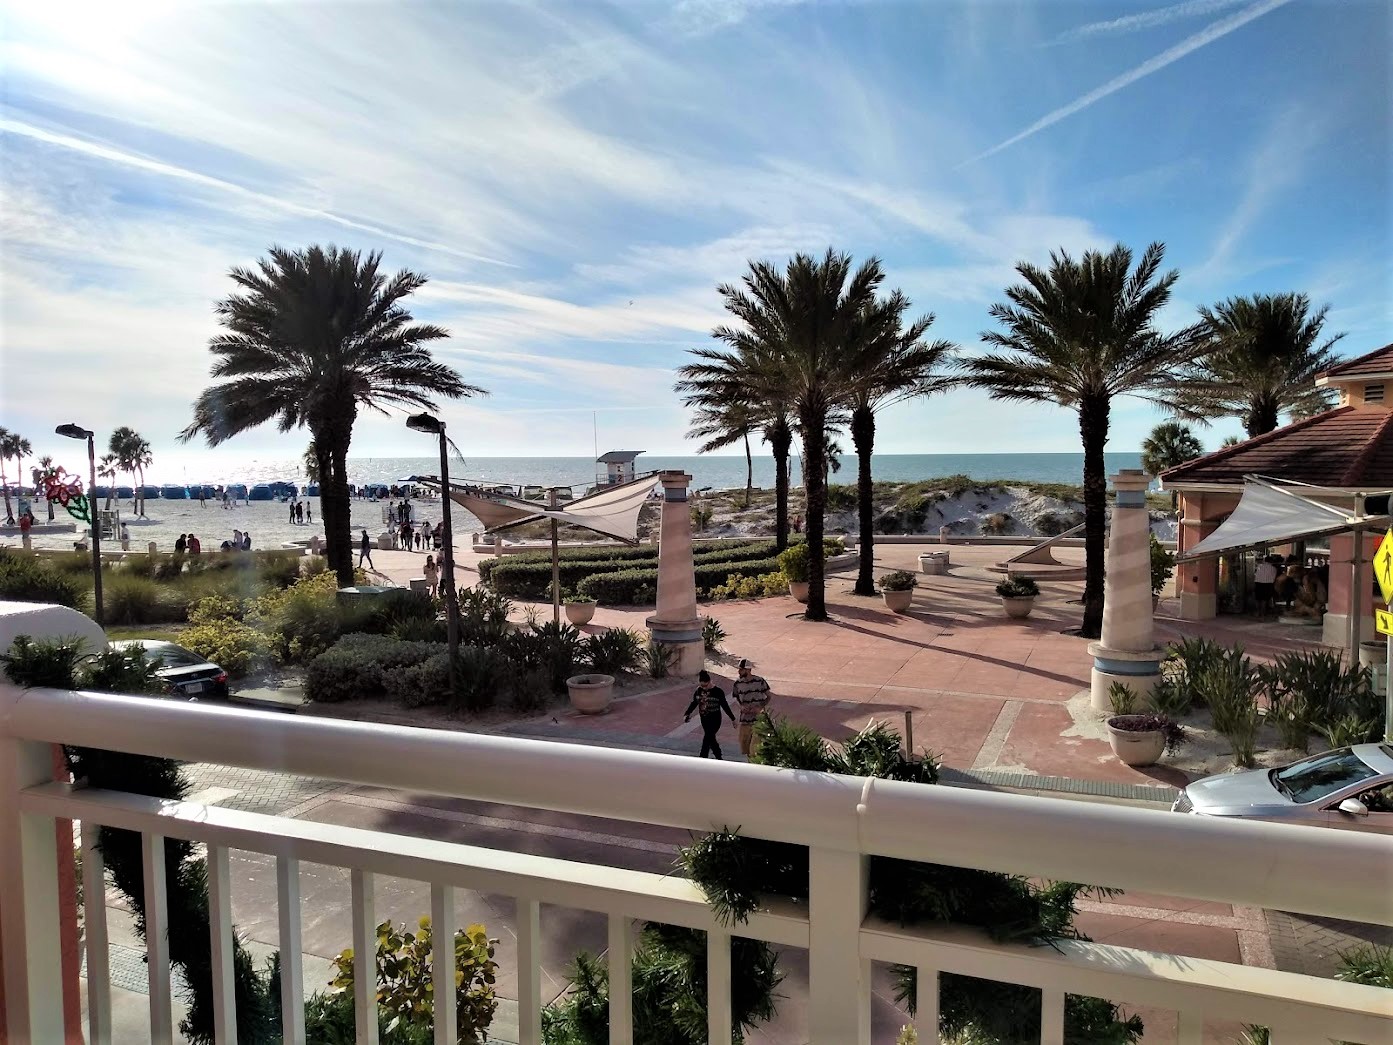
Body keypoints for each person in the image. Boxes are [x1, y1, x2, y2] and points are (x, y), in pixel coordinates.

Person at [684, 670, 735, 759]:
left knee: (708, 737)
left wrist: (733, 719)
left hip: (715, 720)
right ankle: (716, 756)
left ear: (710, 682)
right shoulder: (698, 690)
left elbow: (725, 706)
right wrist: (687, 713)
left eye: (705, 685)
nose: (704, 688)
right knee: (710, 738)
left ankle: (705, 757)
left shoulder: (718, 691)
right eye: (701, 685)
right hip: (704, 719)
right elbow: (694, 703)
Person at [731, 658, 772, 758]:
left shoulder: (760, 681)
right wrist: (741, 706)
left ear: (748, 670)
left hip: (758, 720)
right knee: (744, 746)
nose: (739, 671)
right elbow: (735, 697)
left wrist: (760, 707)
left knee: (754, 749)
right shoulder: (737, 683)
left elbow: (769, 696)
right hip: (745, 719)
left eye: (741, 669)